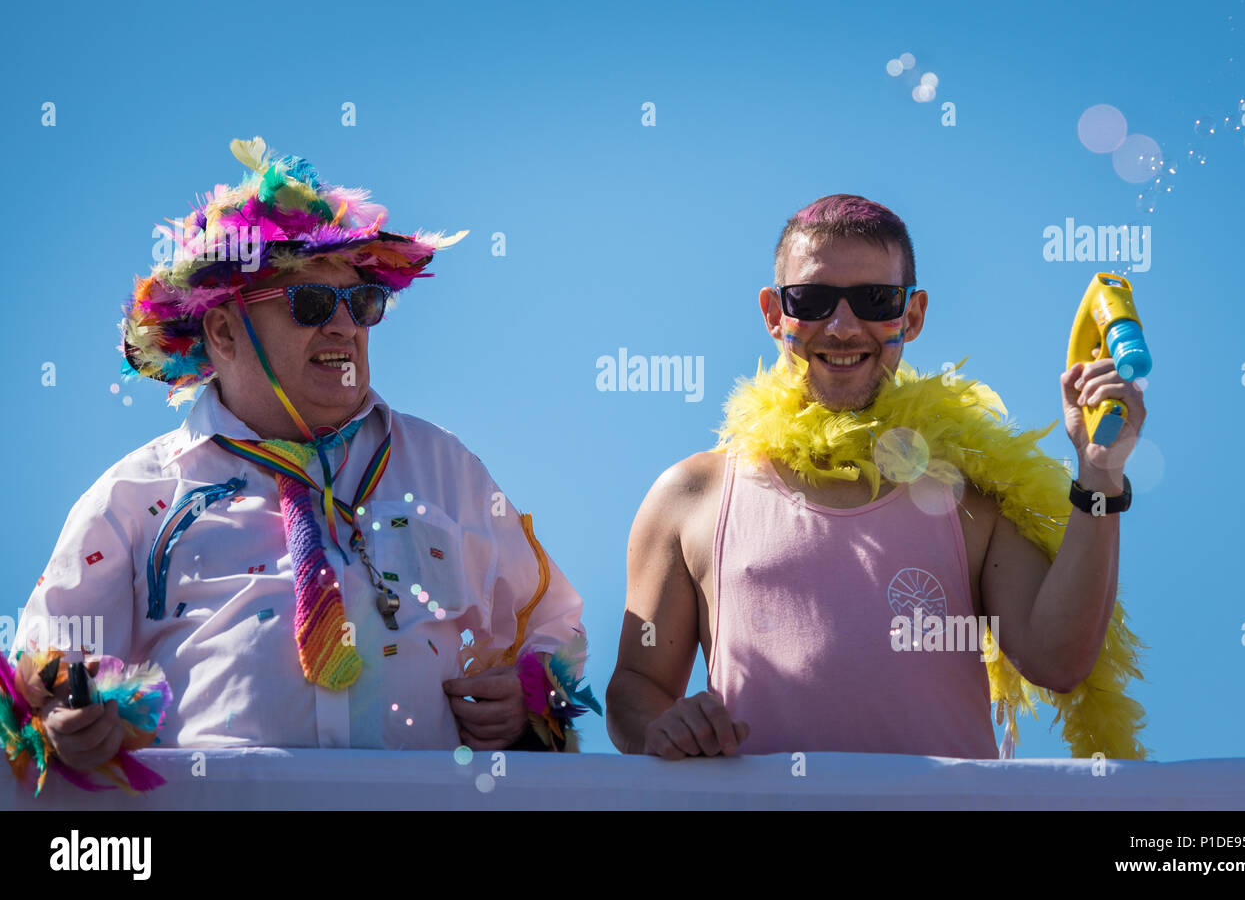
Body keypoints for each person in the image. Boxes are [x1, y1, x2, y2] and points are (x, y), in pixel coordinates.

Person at [5, 137, 596, 794]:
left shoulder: (445, 467)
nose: (345, 326)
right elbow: (43, 666)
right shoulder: (132, 497)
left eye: (362, 303)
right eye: (311, 304)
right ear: (224, 332)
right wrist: (64, 712)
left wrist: (526, 698)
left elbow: (552, 625)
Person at [607, 194, 1147, 761]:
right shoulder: (690, 495)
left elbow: (1058, 660)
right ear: (774, 314)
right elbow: (635, 688)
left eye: (874, 300)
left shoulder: (973, 496)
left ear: (910, 316)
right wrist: (663, 726)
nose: (842, 327)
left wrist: (1100, 474)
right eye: (812, 300)